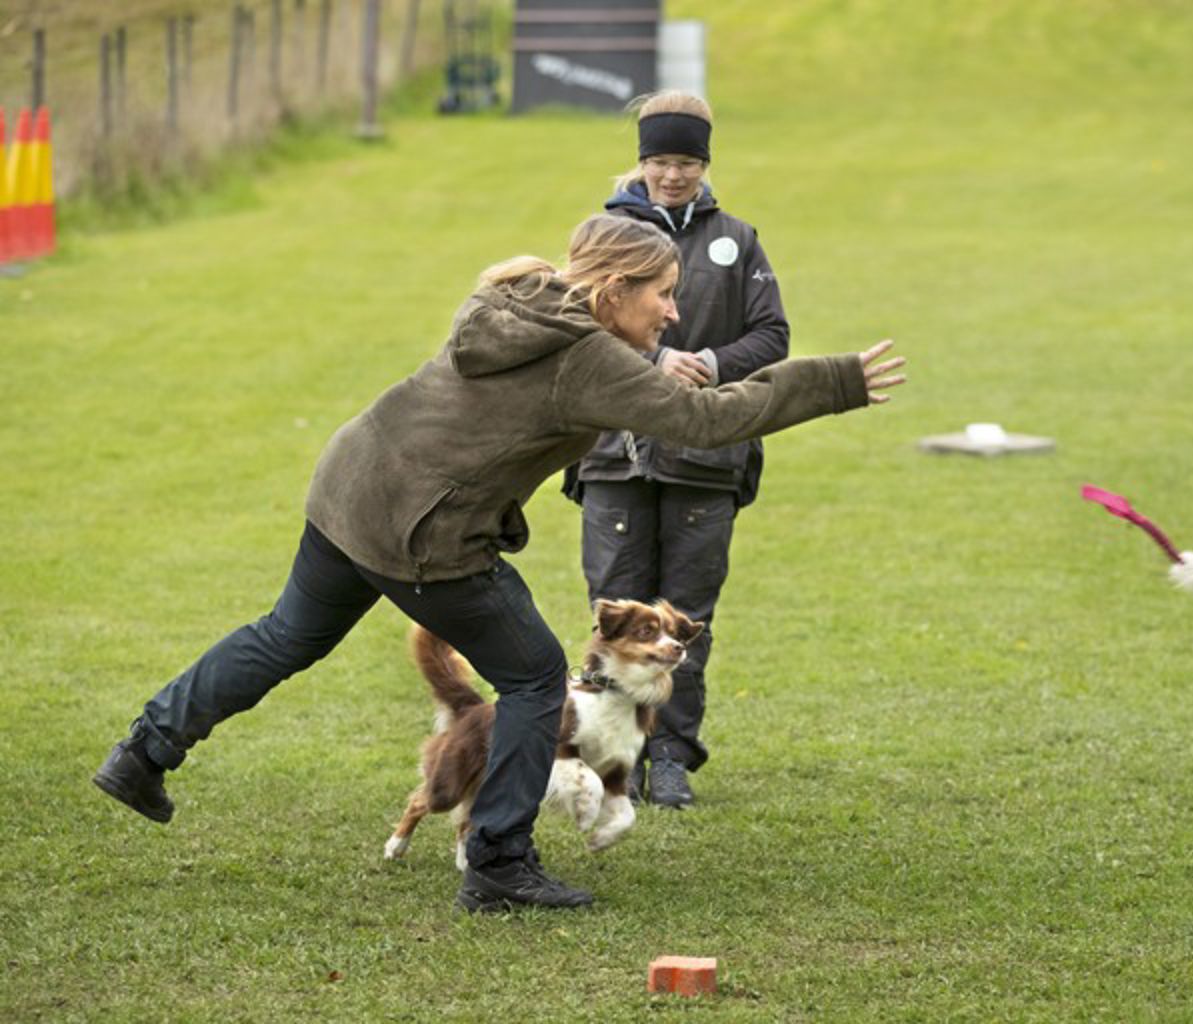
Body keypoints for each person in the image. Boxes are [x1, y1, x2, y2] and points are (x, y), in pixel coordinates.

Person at [92, 213, 906, 913]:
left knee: (285, 635)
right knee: (535, 676)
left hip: (353, 483)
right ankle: (499, 862)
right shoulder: (588, 359)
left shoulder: (524, 296)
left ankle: (142, 753)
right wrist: (833, 380)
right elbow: (703, 419)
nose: (673, 309)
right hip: (421, 530)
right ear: (616, 288)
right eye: (662, 291)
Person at [564, 91, 785, 808]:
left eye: (686, 161)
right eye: (660, 160)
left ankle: (672, 757)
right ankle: (600, 751)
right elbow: (570, 322)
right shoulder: (602, 234)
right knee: (615, 614)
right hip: (610, 455)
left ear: (705, 163)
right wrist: (651, 362)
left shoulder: (737, 240)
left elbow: (772, 336)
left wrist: (711, 364)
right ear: (641, 161)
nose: (673, 175)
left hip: (706, 456)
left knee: (687, 614)